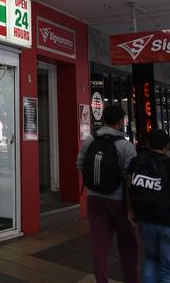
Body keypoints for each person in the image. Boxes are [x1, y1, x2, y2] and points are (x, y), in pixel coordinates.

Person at [77, 105, 138, 283]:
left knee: (99, 247)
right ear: (119, 122)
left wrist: (91, 187)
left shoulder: (90, 140)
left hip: (94, 200)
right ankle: (131, 279)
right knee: (128, 245)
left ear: (103, 120)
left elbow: (79, 164)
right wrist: (131, 210)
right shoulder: (126, 146)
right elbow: (130, 179)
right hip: (119, 202)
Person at [127, 129, 170, 283]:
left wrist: (131, 212)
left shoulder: (137, 161)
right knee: (167, 267)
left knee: (151, 259)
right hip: (166, 222)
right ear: (166, 146)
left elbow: (129, 185)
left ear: (147, 144)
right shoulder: (167, 164)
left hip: (144, 219)